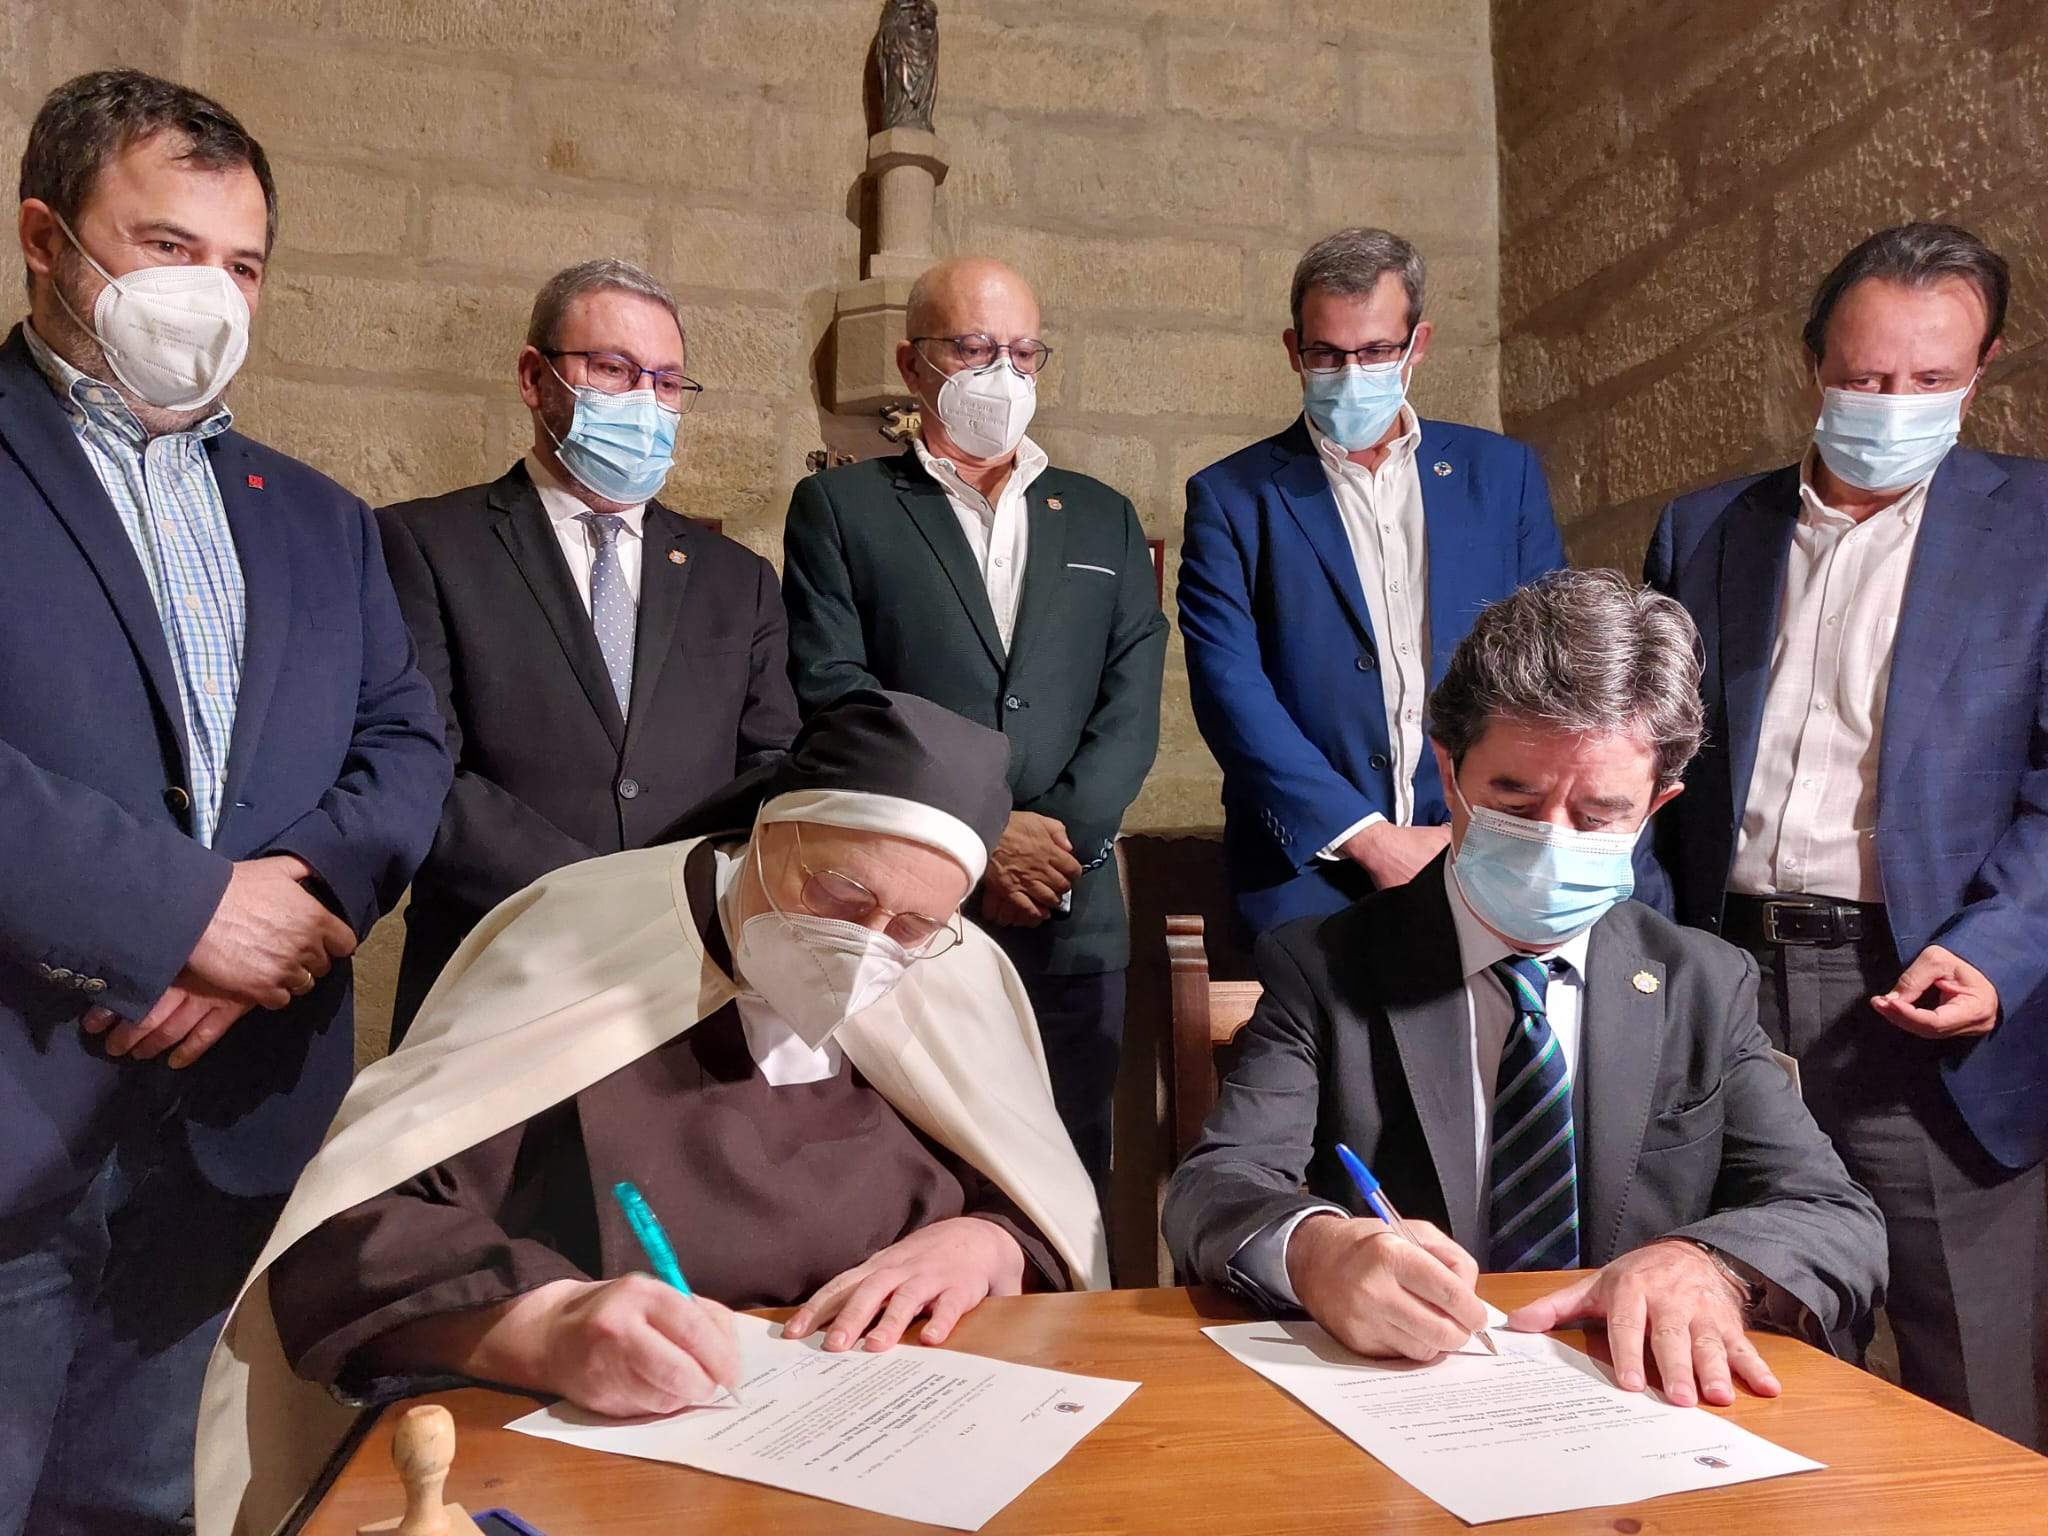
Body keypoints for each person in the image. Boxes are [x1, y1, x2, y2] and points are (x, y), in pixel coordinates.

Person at [196, 690, 1105, 1536]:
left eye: (911, 927)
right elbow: (352, 1233)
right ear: (765, 834)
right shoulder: (582, 936)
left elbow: (1039, 1198)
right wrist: (544, 1329)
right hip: (607, 1472)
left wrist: (989, 1241)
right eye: (839, 894)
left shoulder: (955, 972)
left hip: (907, 1457)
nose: (868, 946)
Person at [0, 70, 449, 1535]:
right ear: (45, 241)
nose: (211, 292)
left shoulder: (315, 517)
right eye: (165, 247)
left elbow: (405, 745)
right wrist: (184, 915)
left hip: (234, 1119)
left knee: (144, 1505)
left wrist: (299, 900)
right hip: (20, 1100)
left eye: (243, 263)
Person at [1166, 571, 1885, 1412]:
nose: (1551, 840)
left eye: (1599, 814)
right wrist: (1319, 1252)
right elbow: (1215, 1185)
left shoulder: (1701, 981)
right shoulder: (1323, 967)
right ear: (1450, 768)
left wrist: (1706, 1264)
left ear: (1657, 804)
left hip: (1629, 1401)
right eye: (1514, 797)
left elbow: (1835, 1215)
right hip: (1397, 1395)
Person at [1645, 222, 2048, 1447]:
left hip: (1925, 997)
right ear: (1811, 360)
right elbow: (1654, 770)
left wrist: (2001, 949)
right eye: (1866, 378)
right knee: (1740, 1364)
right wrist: (1658, 959)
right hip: (1727, 985)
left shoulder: (2032, 525)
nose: (1895, 405)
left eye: (1932, 382)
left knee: (1967, 1386)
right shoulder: (1704, 528)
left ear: (1981, 368)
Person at [781, 257, 1167, 1195]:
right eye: (974, 347)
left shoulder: (1104, 520)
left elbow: (1130, 700)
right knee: (911, 1182)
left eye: (1024, 352)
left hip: (1073, 909)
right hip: (909, 908)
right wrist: (980, 835)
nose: (1003, 372)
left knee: (1065, 1177)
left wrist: (1057, 841)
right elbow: (837, 690)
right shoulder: (843, 507)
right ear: (915, 366)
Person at [377, 258, 798, 1042]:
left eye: (668, 383)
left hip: (684, 979)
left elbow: (771, 765)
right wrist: (596, 900)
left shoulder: (737, 582)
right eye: (612, 369)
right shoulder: (424, 544)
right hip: (497, 969)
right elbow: (421, 764)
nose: (645, 401)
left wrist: (686, 903)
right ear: (535, 378)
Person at [1179, 226, 1566, 938]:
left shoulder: (1501, 477)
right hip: (1303, 870)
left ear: (1417, 345)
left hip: (1482, 851)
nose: (1351, 373)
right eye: (1327, 354)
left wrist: (1482, 825)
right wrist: (1363, 835)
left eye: (1377, 351)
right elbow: (1230, 688)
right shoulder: (1233, 497)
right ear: (1294, 351)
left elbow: (1548, 672)